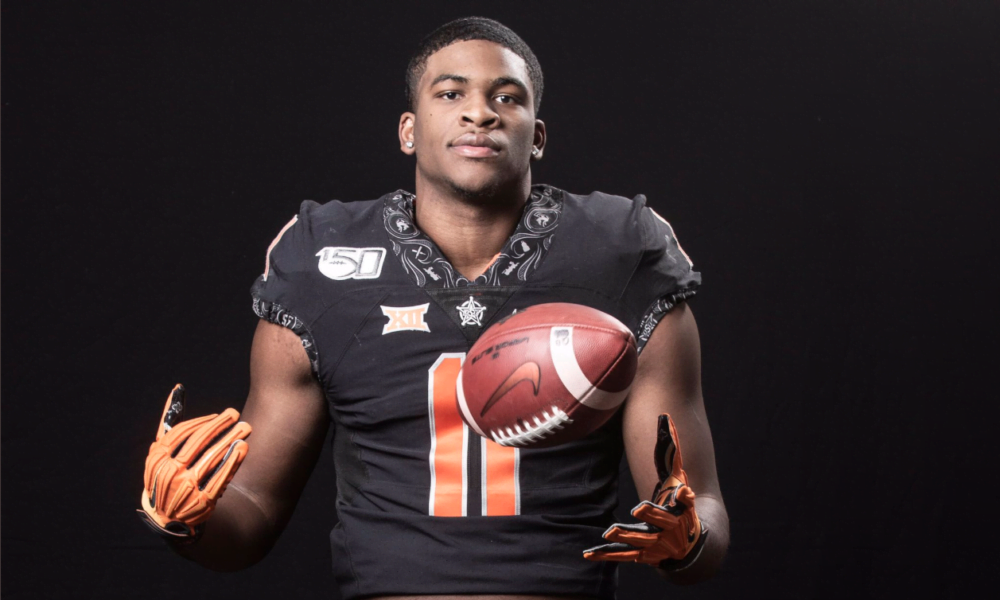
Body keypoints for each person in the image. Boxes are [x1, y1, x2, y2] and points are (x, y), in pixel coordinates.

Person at [138, 16, 729, 599]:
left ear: (537, 136)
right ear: (409, 130)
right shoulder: (323, 260)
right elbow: (253, 511)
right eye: (450, 93)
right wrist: (185, 520)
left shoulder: (619, 253)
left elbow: (699, 504)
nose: (480, 113)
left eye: (507, 97)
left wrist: (689, 541)